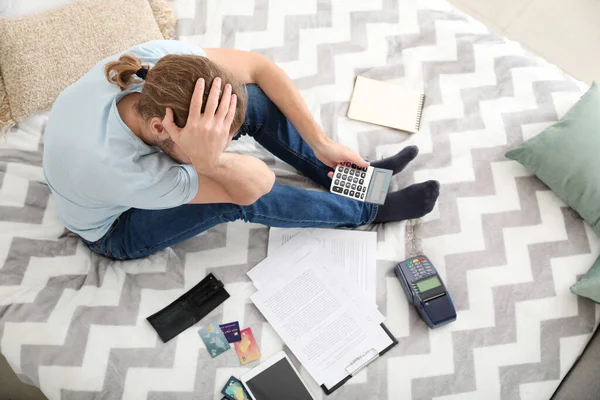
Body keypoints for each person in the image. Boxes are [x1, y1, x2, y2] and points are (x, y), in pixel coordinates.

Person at [43, 40, 439, 261]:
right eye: (217, 137)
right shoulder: (124, 171)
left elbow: (260, 69)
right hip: (117, 226)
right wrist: (211, 161)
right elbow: (254, 187)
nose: (228, 141)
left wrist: (322, 143)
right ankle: (366, 211)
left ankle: (355, 179)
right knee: (229, 194)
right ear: (163, 129)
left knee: (254, 101)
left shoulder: (158, 66)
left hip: (113, 161)